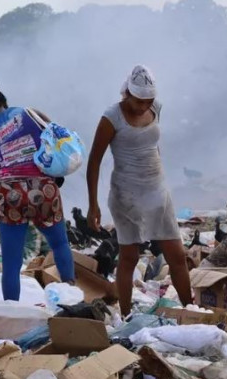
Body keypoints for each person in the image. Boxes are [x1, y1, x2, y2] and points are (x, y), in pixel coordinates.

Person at [86, 65, 191, 316]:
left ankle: (191, 310)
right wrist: (93, 205)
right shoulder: (112, 118)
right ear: (128, 95)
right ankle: (124, 314)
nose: (144, 106)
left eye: (149, 100)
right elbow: (94, 161)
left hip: (157, 191)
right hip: (126, 196)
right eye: (139, 100)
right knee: (129, 257)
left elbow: (153, 146)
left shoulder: (156, 108)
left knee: (177, 256)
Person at [0, 71, 74, 300]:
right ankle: (71, 297)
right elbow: (59, 138)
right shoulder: (32, 113)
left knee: (12, 262)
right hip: (43, 188)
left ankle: (11, 312)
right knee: (60, 244)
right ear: (4, 104)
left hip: (10, 194)